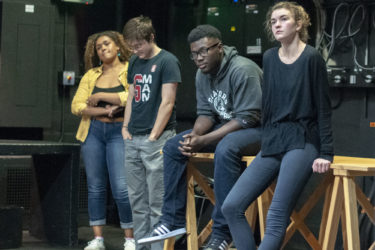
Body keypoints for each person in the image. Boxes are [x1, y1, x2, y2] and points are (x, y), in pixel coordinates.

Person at [138, 24, 263, 250]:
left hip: (260, 131)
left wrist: (205, 140)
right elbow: (206, 114)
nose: (199, 58)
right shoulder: (202, 75)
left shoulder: (243, 70)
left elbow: (248, 118)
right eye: (194, 54)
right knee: (174, 146)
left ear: (220, 48)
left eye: (204, 51)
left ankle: (222, 233)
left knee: (227, 147)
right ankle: (172, 221)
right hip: (228, 128)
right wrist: (194, 136)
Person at [221, 2, 334, 250]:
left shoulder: (312, 58)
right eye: (273, 21)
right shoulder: (270, 58)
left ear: (299, 24)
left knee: (275, 215)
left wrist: (326, 152)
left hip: (303, 139)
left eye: (283, 19)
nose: (277, 25)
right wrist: (266, 140)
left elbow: (324, 109)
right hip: (275, 138)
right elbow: (269, 105)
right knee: (231, 206)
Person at [121, 16, 181, 250]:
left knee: (157, 201)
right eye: (132, 47)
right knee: (137, 200)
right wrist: (125, 128)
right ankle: (141, 246)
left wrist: (154, 136)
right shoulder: (135, 62)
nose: (136, 50)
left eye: (139, 45)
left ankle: (158, 248)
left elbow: (168, 102)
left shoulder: (168, 61)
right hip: (132, 137)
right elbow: (132, 97)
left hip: (156, 138)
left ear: (151, 38)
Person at [71, 31, 135, 250]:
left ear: (118, 46)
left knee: (120, 188)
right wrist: (101, 111)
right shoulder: (91, 75)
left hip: (119, 132)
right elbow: (76, 105)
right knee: (95, 187)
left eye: (107, 44)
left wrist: (101, 97)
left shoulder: (130, 70)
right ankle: (98, 239)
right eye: (98, 47)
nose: (103, 49)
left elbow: (133, 96)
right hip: (93, 132)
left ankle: (130, 238)